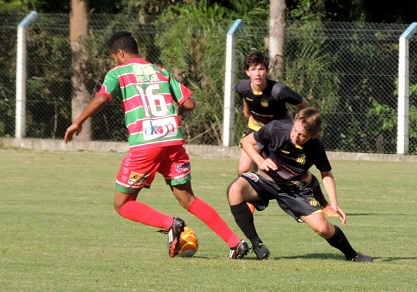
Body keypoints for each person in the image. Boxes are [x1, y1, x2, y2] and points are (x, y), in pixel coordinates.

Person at [64, 31, 249, 259]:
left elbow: (102, 97)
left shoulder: (118, 72)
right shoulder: (161, 71)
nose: (115, 61)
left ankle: (170, 224)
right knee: (188, 198)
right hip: (173, 141)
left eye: (114, 57)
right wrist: (173, 113)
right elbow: (189, 103)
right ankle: (235, 242)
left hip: (146, 144)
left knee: (123, 204)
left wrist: (77, 123)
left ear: (120, 53)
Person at [227, 107, 373, 262]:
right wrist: (260, 161)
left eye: (302, 135)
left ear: (313, 135)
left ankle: (352, 255)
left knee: (322, 228)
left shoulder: (316, 147)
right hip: (264, 179)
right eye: (295, 130)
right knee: (235, 190)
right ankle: (257, 244)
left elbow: (326, 173)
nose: (295, 136)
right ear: (294, 121)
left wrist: (334, 203)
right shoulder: (276, 128)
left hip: (293, 188)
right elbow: (246, 142)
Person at [236, 51, 338, 218]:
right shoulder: (241, 86)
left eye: (261, 69)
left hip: (280, 132)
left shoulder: (279, 91)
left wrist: (302, 126)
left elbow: (305, 106)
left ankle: (324, 204)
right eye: (253, 69)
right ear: (247, 72)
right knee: (243, 168)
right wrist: (246, 110)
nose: (257, 73)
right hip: (256, 128)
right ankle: (249, 202)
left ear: (266, 71)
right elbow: (246, 98)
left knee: (297, 173)